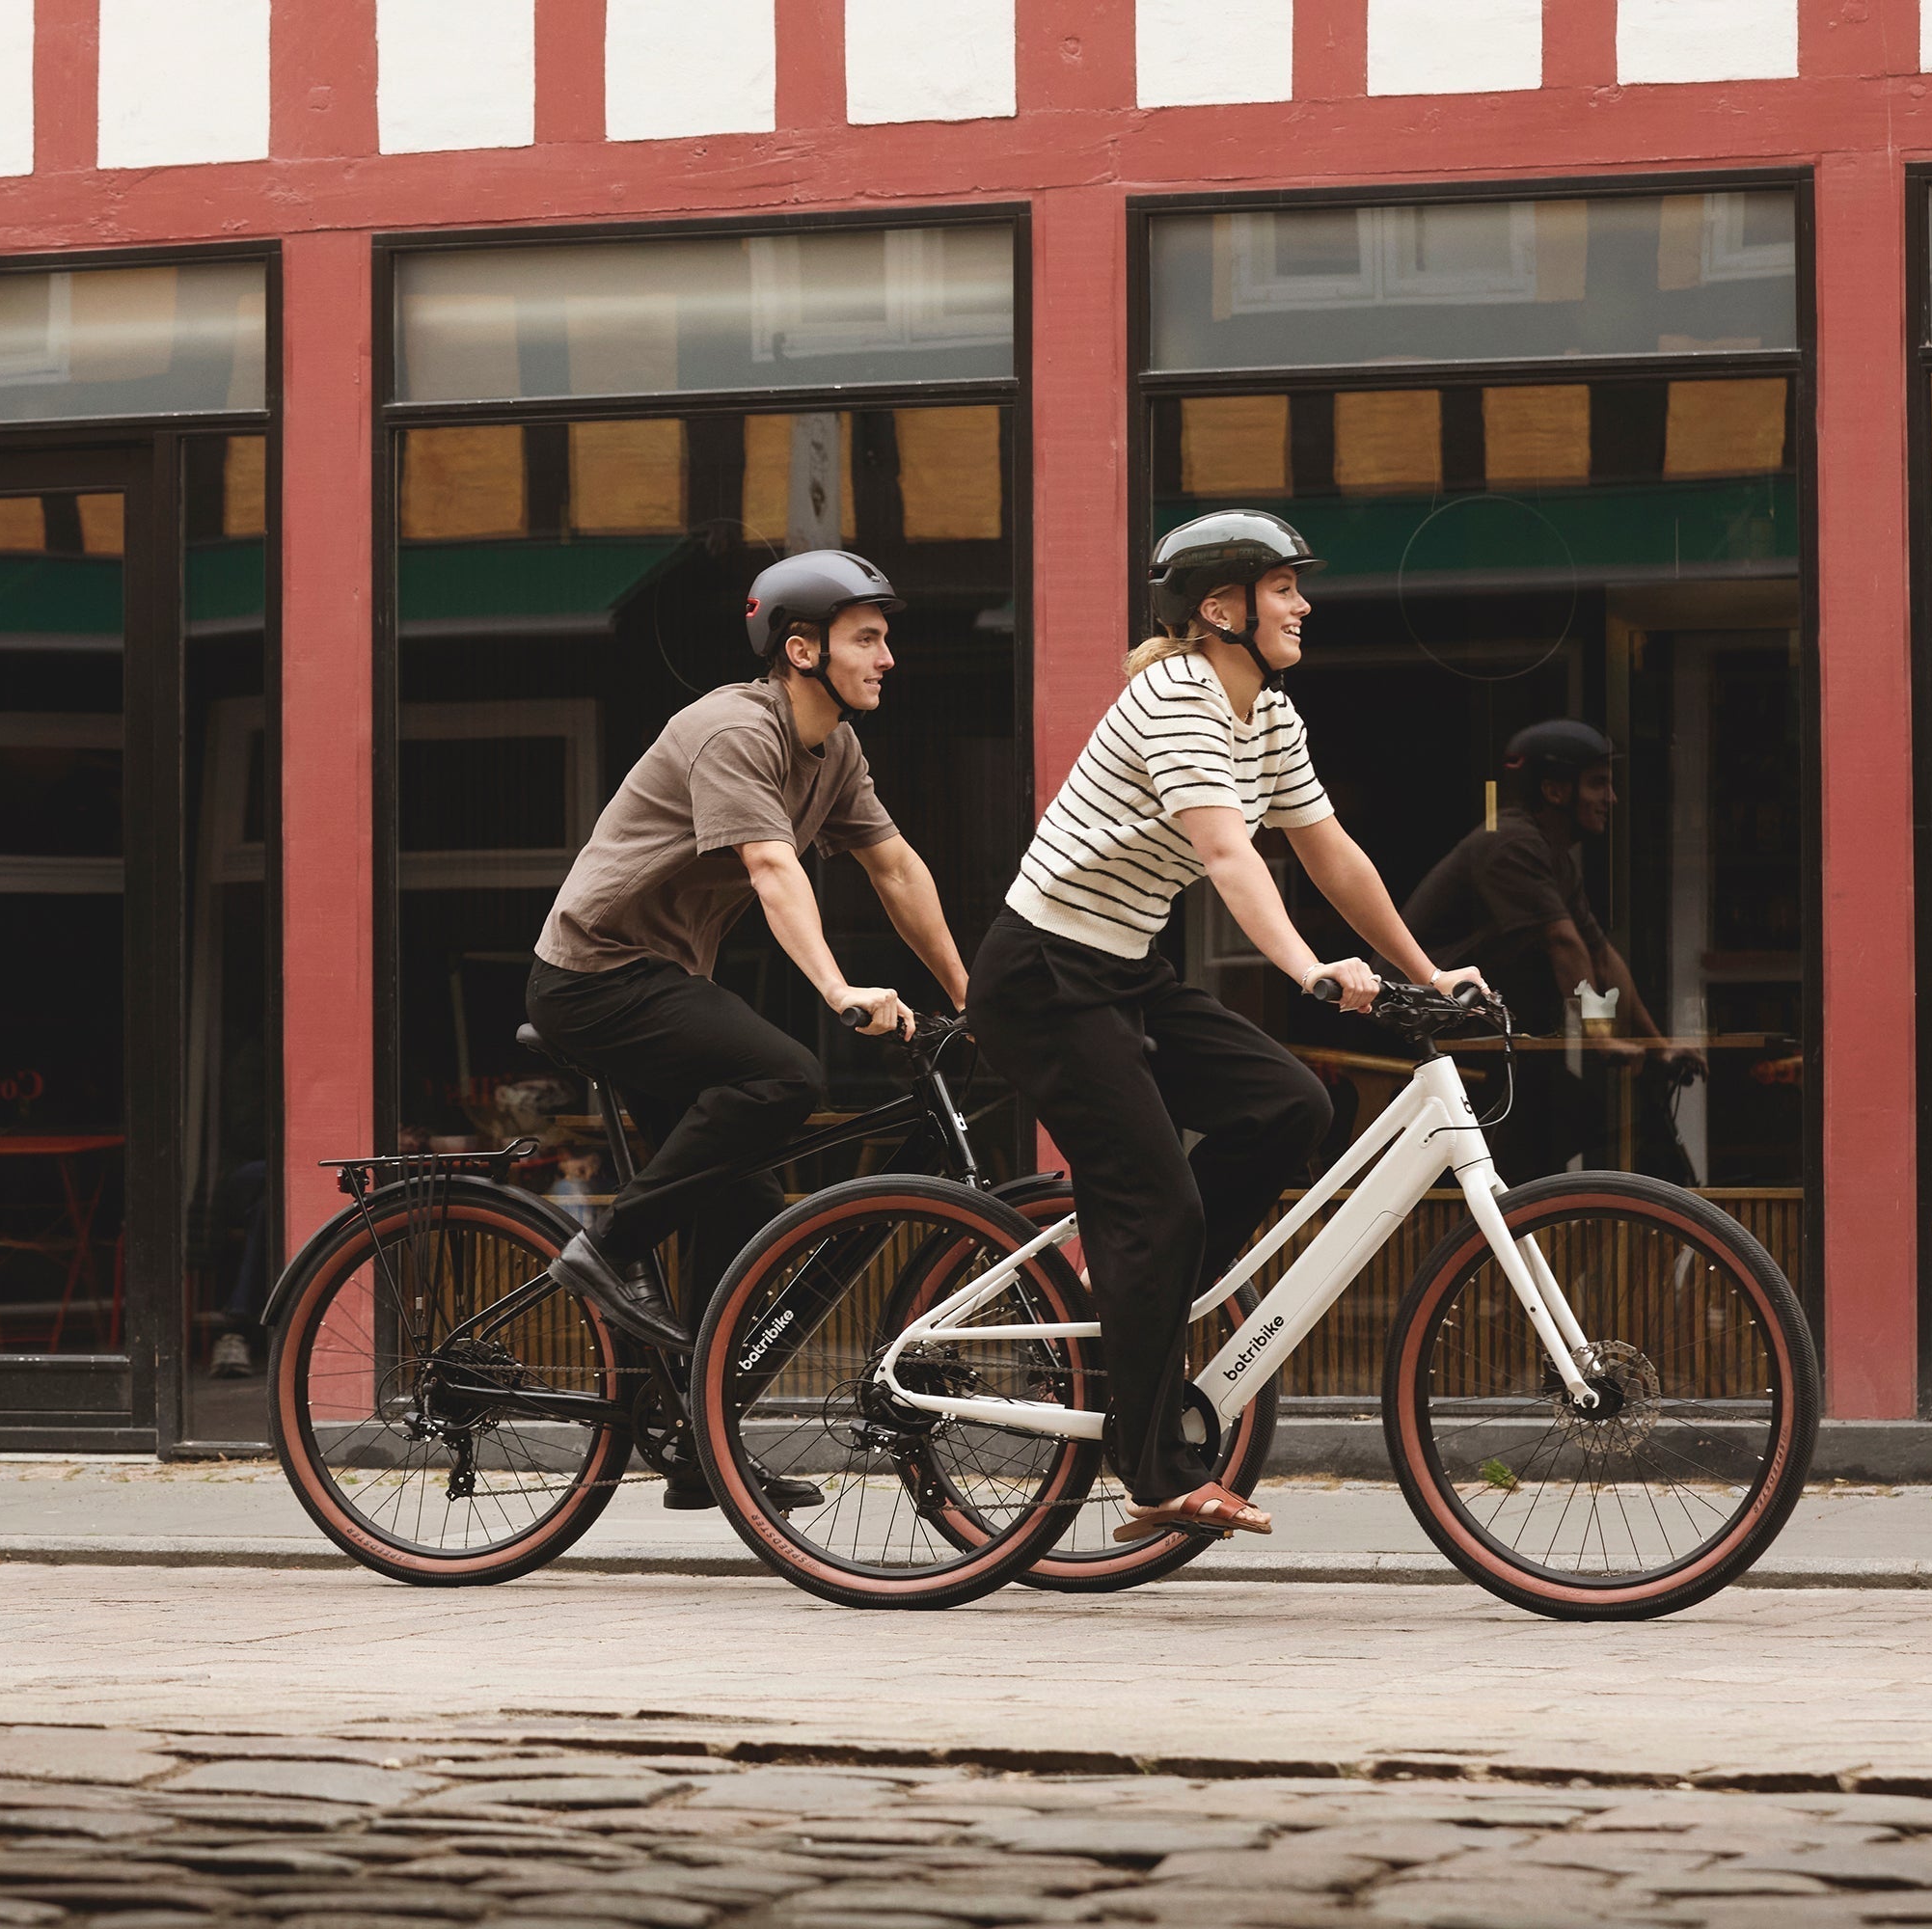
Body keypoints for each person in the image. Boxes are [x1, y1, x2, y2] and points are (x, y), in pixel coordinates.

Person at [966, 510, 1483, 1541]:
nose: (1304, 602)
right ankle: (1152, 1466)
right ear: (1220, 608)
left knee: (1290, 1104)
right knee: (1159, 1202)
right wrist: (1306, 969)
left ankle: (1137, 1304)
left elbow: (1329, 852)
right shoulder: (1174, 697)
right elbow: (1228, 853)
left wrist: (1425, 971)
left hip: (1123, 968)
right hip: (1043, 975)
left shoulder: (1270, 716)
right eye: (1285, 585)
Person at [524, 550, 972, 1508]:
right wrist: (840, 987)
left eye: (886, 638)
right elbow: (773, 867)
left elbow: (895, 869)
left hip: (657, 978)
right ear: (800, 649)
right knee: (783, 1076)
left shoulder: (835, 750)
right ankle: (606, 1243)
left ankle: (697, 1443)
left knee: (740, 1209)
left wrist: (970, 994)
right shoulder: (733, 728)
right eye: (868, 638)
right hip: (594, 975)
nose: (889, 656)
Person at [1402, 719, 1698, 1180]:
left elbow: (1601, 954)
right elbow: (1565, 944)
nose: (1611, 799)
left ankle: (1517, 1226)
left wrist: (1656, 1045)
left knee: (1566, 1120)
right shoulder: (1512, 845)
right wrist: (1601, 1037)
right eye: (1599, 784)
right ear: (1556, 791)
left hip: (1471, 1028)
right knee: (1559, 1119)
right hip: (1421, 1028)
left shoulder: (1551, 855)